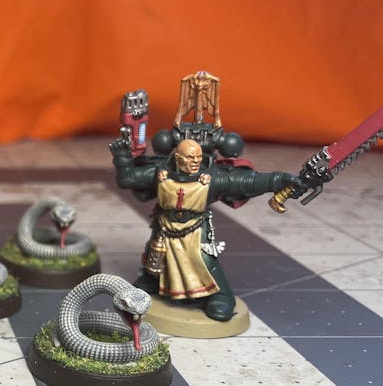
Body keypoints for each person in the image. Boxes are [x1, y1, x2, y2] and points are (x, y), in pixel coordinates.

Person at [110, 134, 304, 321]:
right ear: (177, 157)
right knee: (156, 254)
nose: (195, 161)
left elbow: (248, 182)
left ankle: (220, 295)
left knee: (204, 259)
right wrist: (122, 158)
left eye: (198, 157)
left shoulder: (212, 178)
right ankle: (152, 281)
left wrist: (279, 180)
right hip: (164, 225)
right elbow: (128, 179)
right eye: (189, 157)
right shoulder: (159, 173)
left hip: (194, 227)